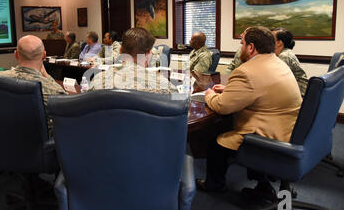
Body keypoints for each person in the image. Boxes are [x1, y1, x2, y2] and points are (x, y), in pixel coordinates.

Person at [196, 26, 302, 196]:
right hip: (290, 130)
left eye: (242, 43)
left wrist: (209, 94)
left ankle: (214, 185)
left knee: (217, 140)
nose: (240, 46)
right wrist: (231, 89)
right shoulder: (278, 63)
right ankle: (263, 185)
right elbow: (262, 90)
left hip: (268, 138)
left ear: (251, 47)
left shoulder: (247, 71)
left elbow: (222, 107)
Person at [90, 27, 177, 94]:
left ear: (120, 51)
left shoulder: (98, 80)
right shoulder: (163, 85)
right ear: (149, 53)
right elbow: (180, 107)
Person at [0, 35, 66, 107]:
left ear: (16, 54)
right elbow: (67, 107)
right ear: (44, 55)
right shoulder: (52, 90)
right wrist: (46, 76)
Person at [272, 27, 309, 97]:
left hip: (299, 95)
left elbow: (276, 81)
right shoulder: (287, 53)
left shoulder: (284, 56)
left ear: (279, 42)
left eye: (271, 38)